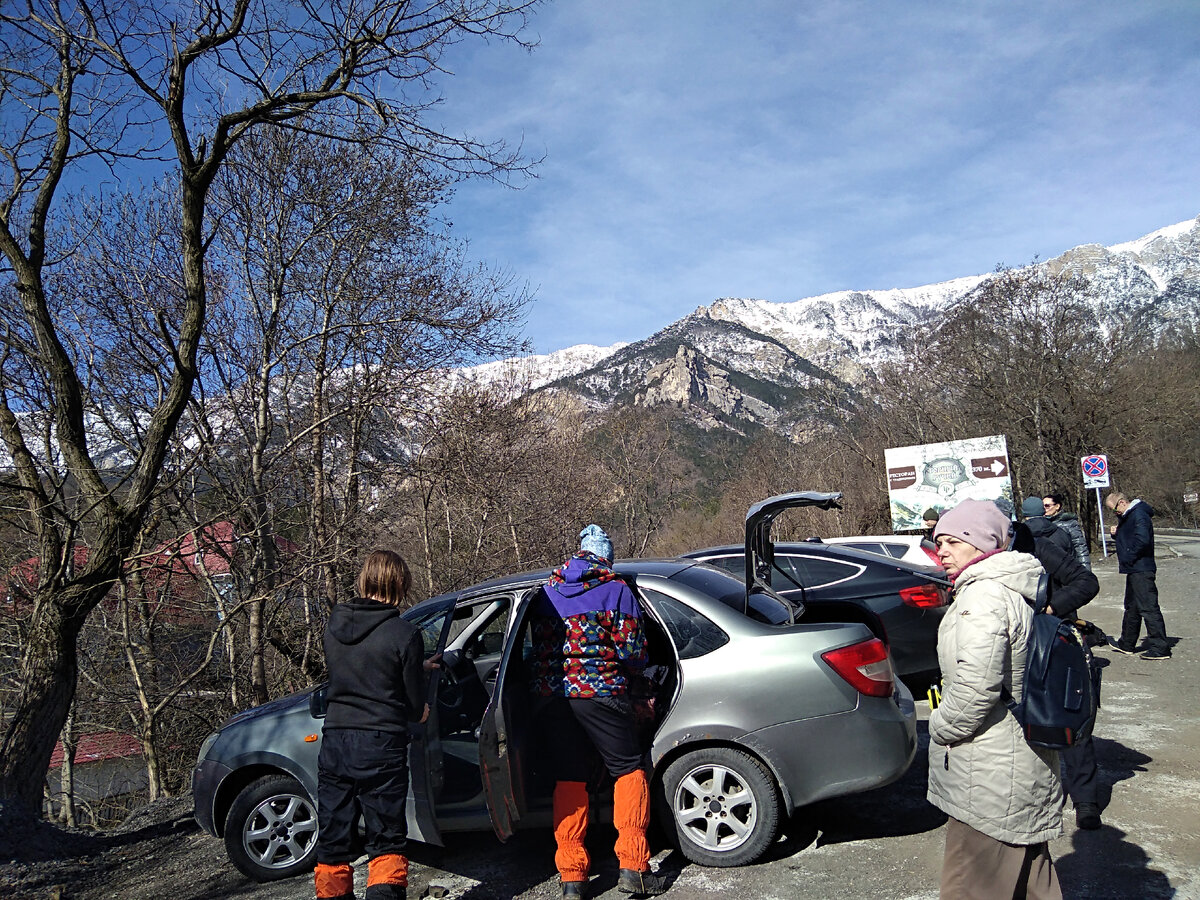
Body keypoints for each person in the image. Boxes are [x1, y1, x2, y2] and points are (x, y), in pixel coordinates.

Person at [928, 499, 1064, 900]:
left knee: (974, 885)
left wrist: (938, 727)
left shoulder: (982, 597)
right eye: (940, 542)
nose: (943, 551)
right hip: (1019, 758)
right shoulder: (1009, 587)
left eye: (954, 541)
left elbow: (974, 690)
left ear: (984, 545)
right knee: (1032, 877)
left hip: (989, 771)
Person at [530, 525, 665, 899]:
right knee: (628, 769)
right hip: (602, 694)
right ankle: (635, 867)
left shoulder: (546, 592)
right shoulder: (616, 590)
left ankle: (572, 877)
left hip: (554, 698)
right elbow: (634, 653)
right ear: (605, 557)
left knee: (570, 778)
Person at [315, 550, 430, 900]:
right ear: (400, 583)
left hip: (335, 742)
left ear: (365, 580)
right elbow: (413, 706)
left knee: (334, 839)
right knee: (385, 841)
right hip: (381, 746)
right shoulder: (405, 634)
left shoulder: (332, 628)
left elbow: (360, 670)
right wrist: (421, 709)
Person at [1011, 512, 1103, 830]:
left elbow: (1086, 583)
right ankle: (1032, 796)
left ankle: (1086, 800)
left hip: (1055, 639)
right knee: (1020, 720)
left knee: (1069, 714)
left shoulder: (1037, 546)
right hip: (1016, 644)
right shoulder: (984, 560)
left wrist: (1050, 609)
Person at [1104, 491, 1171, 660]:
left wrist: (1127, 555)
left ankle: (1160, 648)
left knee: (1148, 607)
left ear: (1122, 503)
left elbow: (1142, 540)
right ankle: (1127, 643)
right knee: (1132, 607)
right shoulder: (1130, 516)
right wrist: (1118, 533)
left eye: (1114, 510)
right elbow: (1130, 536)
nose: (1115, 513)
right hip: (1134, 568)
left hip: (1141, 568)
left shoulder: (1139, 514)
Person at [1042, 492, 1092, 570]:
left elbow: (1080, 548)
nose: (1044, 508)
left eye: (1047, 506)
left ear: (1057, 506)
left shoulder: (1070, 524)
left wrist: (1086, 572)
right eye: (1043, 506)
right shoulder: (1042, 524)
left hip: (1068, 567)